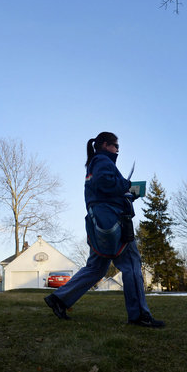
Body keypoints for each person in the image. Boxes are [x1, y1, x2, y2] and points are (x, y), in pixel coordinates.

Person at [44, 132, 165, 328]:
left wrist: (127, 194)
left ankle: (60, 299)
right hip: (115, 223)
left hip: (99, 225)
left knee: (96, 267)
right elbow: (105, 182)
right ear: (105, 145)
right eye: (116, 146)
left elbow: (103, 190)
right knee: (132, 264)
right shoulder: (102, 160)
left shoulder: (95, 162)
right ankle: (139, 315)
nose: (118, 150)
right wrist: (125, 184)